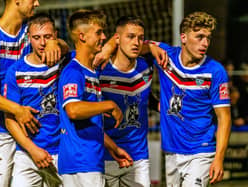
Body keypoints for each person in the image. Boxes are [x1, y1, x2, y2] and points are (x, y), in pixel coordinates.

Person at [0, 0, 67, 186]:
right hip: (0, 133)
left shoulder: (29, 31)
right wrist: (17, 110)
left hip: (34, 133)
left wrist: (56, 43)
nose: (37, 3)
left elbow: (58, 46)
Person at [147, 11, 231, 186]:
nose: (205, 43)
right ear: (183, 37)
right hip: (171, 151)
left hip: (201, 151)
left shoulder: (215, 71)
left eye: (208, 38)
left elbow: (224, 118)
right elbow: (132, 43)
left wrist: (219, 159)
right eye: (199, 37)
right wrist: (150, 47)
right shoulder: (166, 57)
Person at [57, 9, 132, 187]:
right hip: (83, 162)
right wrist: (109, 105)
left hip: (85, 160)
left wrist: (113, 148)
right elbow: (73, 110)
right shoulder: (74, 72)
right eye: (98, 32)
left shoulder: (90, 72)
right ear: (82, 36)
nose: (103, 36)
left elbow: (89, 124)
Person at [4, 13, 70, 187]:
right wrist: (33, 151)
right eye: (36, 37)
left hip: (62, 152)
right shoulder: (15, 71)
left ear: (55, 35)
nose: (42, 43)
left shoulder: (66, 62)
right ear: (28, 38)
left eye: (47, 37)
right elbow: (10, 120)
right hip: (27, 154)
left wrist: (60, 44)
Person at [99, 16, 152, 187]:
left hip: (138, 157)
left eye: (140, 38)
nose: (136, 42)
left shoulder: (147, 66)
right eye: (130, 36)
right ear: (117, 39)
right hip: (104, 156)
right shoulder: (99, 69)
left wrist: (153, 47)